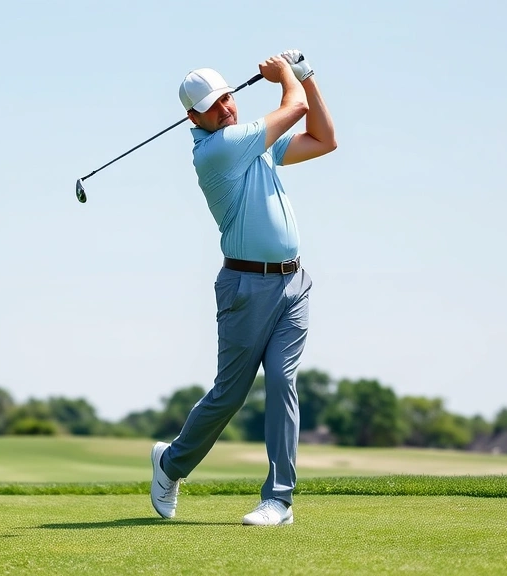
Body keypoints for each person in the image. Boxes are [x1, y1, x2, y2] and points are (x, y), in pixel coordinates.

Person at [150, 51, 336, 526]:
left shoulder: (254, 141)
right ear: (193, 119)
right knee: (230, 395)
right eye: (211, 107)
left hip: (294, 283)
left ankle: (279, 500)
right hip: (245, 287)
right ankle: (171, 463)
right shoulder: (218, 149)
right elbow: (294, 108)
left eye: (226, 98)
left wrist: (308, 78)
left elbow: (324, 140)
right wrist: (286, 77)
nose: (224, 109)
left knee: (282, 382)